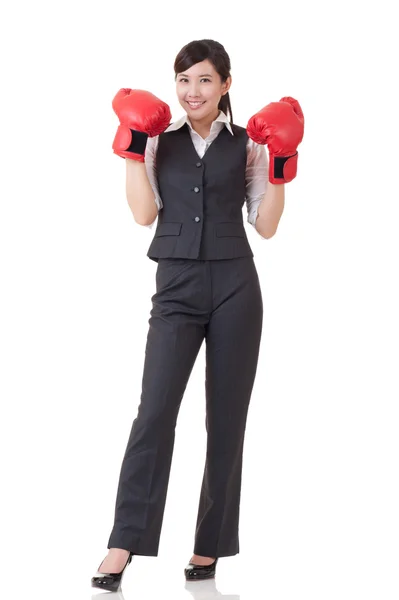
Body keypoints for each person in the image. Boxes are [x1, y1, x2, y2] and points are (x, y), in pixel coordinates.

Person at [91, 38, 304, 592]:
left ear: (226, 84)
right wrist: (135, 153)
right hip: (177, 286)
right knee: (154, 412)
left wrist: (281, 166)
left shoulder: (250, 145)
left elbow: (267, 225)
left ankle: (208, 547)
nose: (192, 92)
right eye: (183, 80)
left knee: (226, 420)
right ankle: (123, 541)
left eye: (204, 80)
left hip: (237, 284)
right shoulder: (159, 143)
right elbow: (143, 215)